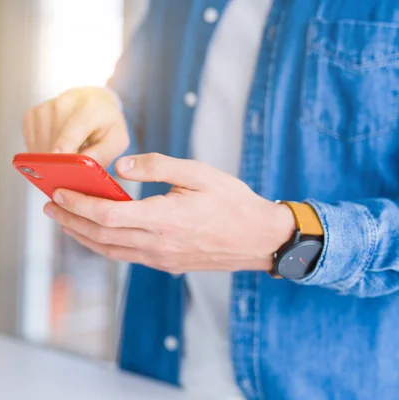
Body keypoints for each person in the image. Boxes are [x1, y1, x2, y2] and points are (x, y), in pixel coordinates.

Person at [22, 1, 399, 399]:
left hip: (335, 382)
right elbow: (136, 101)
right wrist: (100, 107)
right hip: (155, 371)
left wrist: (281, 239)